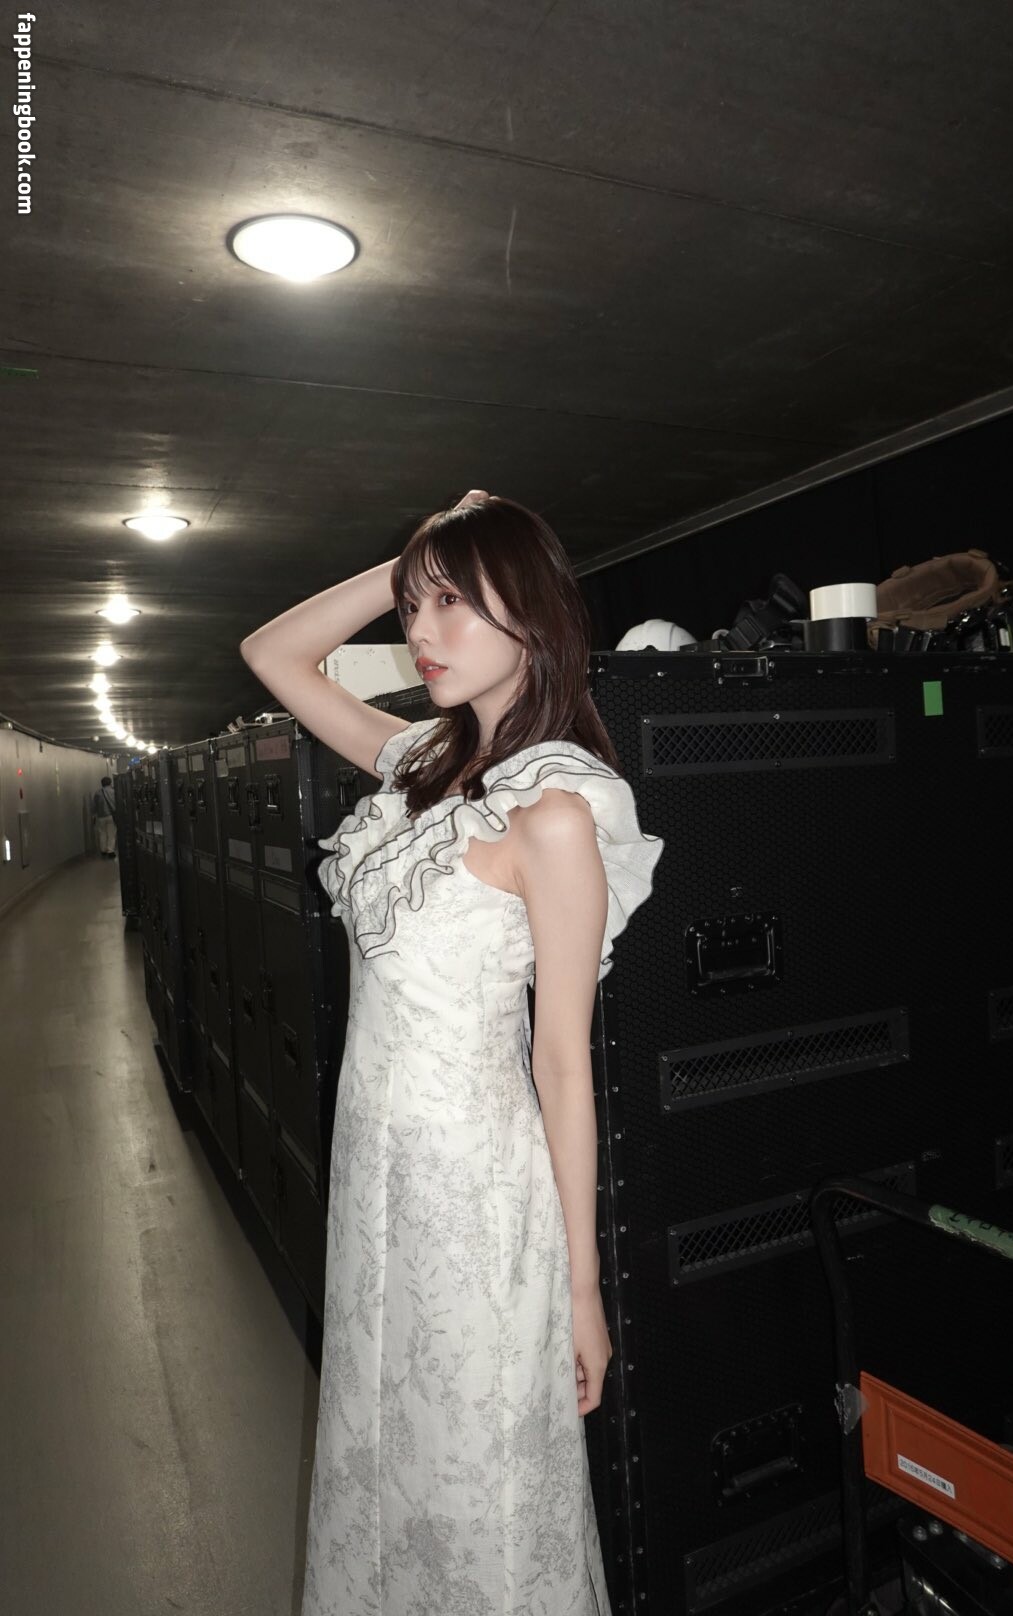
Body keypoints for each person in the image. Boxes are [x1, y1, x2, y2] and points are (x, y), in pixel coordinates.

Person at [240, 491, 664, 1616]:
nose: (420, 633)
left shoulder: (555, 813)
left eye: (453, 606)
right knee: (384, 1438)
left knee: (485, 1477)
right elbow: (272, 653)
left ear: (533, 613)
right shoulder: (422, 764)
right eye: (412, 607)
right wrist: (419, 556)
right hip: (376, 1173)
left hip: (477, 1194)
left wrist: (582, 1288)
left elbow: (562, 1063)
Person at [91, 774, 117, 858]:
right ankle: (110, 851)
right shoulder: (113, 792)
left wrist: (93, 815)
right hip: (111, 816)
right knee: (111, 834)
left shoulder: (97, 793)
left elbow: (94, 806)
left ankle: (103, 850)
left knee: (102, 833)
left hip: (101, 817)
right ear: (110, 783)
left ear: (102, 783)